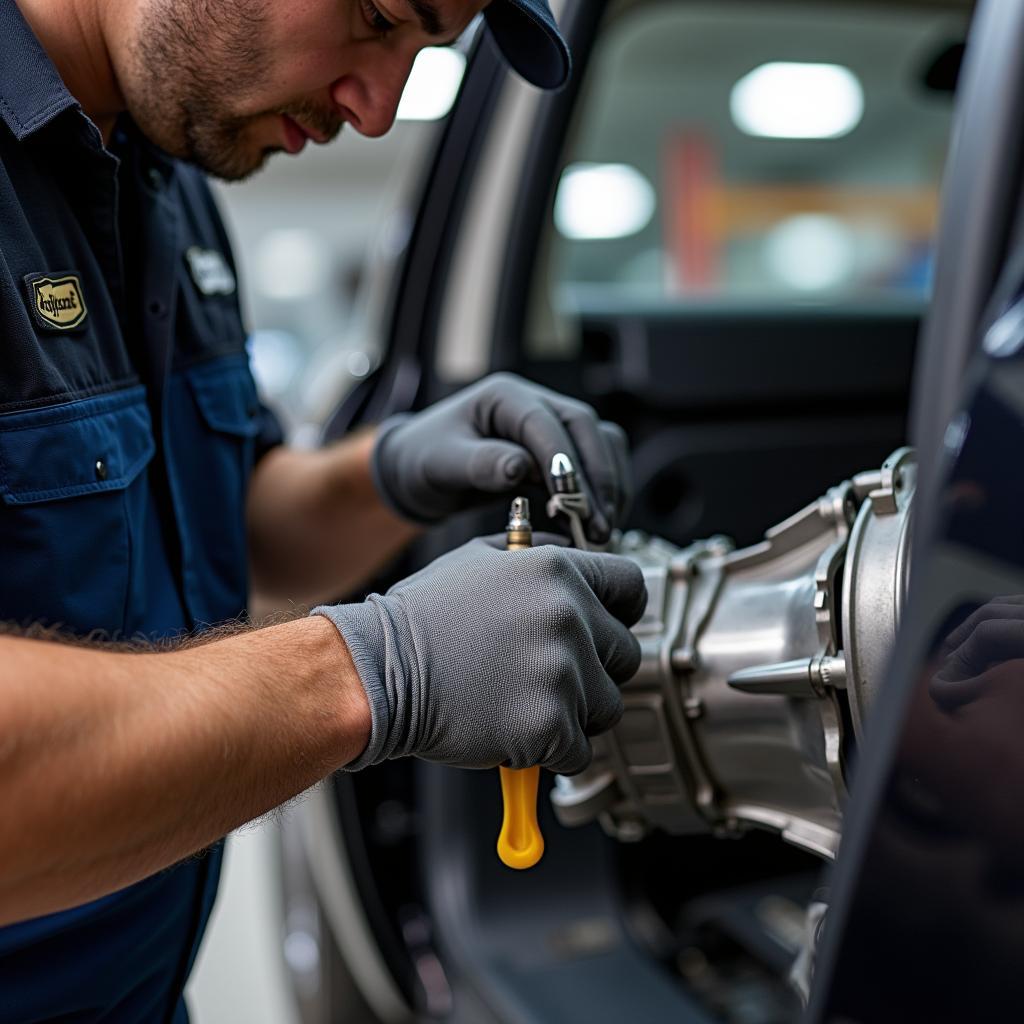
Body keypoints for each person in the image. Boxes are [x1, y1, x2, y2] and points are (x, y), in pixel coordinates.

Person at [0, 0, 648, 1020]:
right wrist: (373, 669)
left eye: (424, 53)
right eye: (378, 17)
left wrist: (390, 471)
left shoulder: (162, 167)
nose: (381, 108)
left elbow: (225, 525)